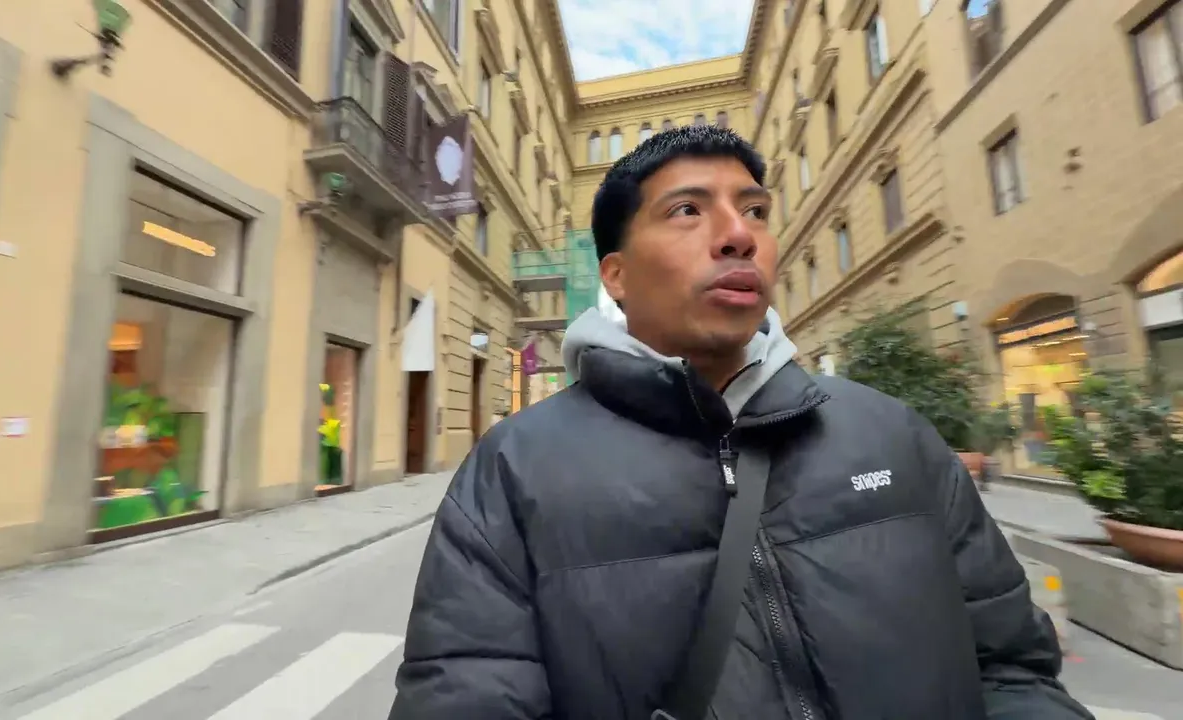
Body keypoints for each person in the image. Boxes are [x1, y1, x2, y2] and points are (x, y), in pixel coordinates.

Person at [388, 125, 1093, 720]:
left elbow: (1013, 670)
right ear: (616, 276)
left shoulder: (894, 435)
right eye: (687, 211)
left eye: (755, 211)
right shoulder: (513, 470)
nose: (738, 236)